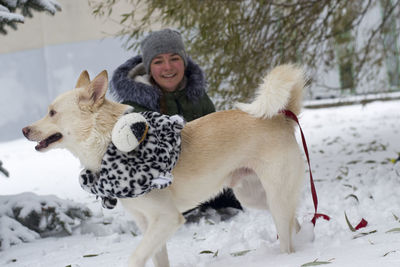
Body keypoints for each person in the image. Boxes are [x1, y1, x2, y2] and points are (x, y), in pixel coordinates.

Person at [110, 28, 241, 218]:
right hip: (163, 190)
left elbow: (218, 139)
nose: (168, 67)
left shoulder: (197, 96)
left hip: (204, 181)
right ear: (148, 67)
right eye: (158, 61)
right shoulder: (132, 108)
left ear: (184, 62)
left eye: (174, 58)